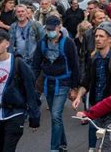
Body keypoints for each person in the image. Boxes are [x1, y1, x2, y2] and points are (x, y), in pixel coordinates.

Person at [73, 22, 111, 151]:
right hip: (96, 108)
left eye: (101, 36)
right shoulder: (93, 59)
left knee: (107, 145)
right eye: (96, 36)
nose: (97, 39)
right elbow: (86, 82)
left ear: (110, 39)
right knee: (94, 145)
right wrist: (78, 97)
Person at [32, 16, 79, 152]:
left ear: (59, 27)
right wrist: (33, 82)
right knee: (55, 116)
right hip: (49, 83)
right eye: (48, 29)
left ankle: (54, 148)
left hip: (63, 83)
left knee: (56, 115)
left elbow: (75, 65)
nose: (50, 31)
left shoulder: (68, 43)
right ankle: (62, 144)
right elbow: (36, 65)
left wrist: (74, 87)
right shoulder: (42, 43)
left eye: (52, 29)